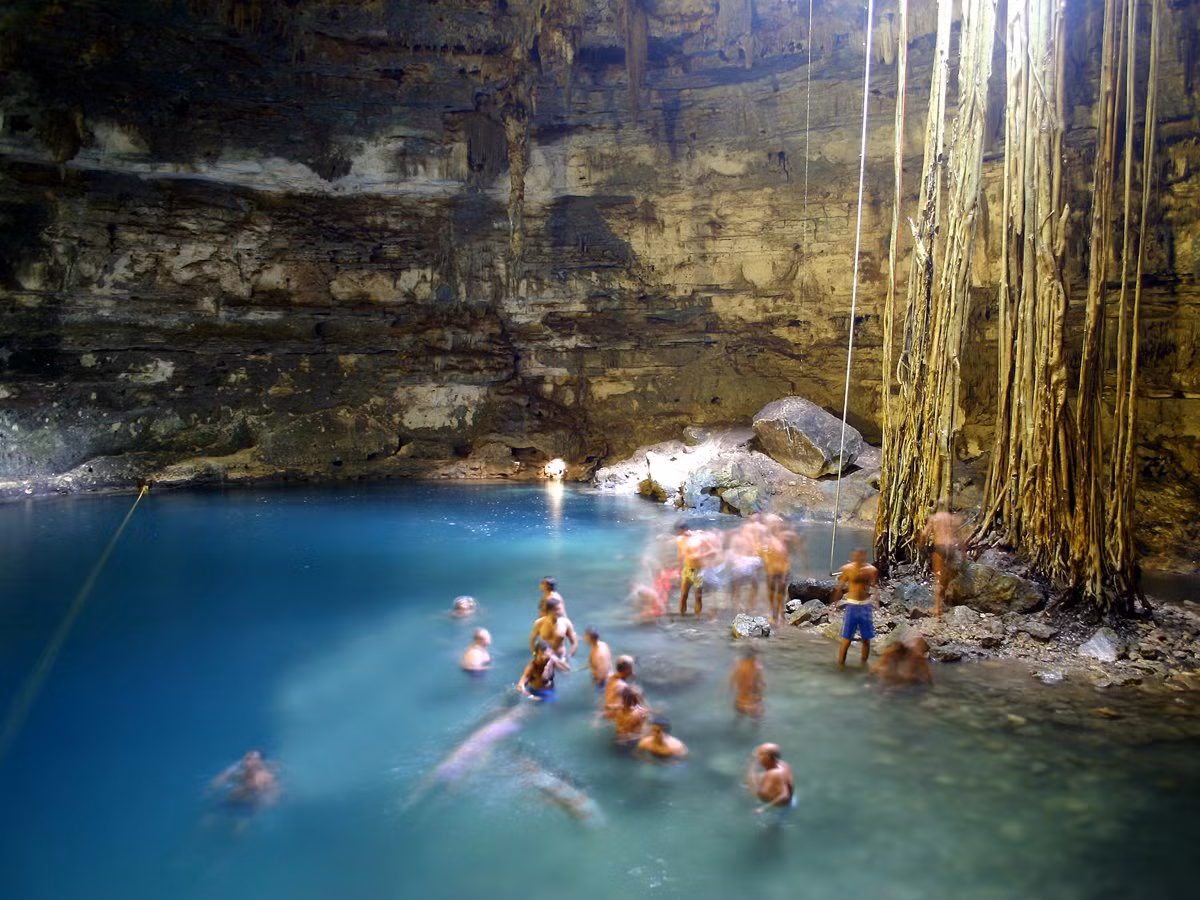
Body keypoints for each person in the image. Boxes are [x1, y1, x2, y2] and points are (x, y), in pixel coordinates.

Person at [834, 548, 879, 666]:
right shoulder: (847, 569)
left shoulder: (871, 570)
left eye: (860, 555)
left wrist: (876, 601)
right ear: (853, 556)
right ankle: (841, 665)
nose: (858, 558)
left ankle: (864, 665)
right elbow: (840, 587)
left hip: (865, 606)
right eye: (855, 555)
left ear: (864, 556)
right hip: (852, 606)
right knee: (847, 638)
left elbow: (875, 587)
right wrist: (834, 604)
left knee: (866, 638)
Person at [920, 499, 964, 617]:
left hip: (939, 548)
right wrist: (964, 554)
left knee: (938, 577)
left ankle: (937, 607)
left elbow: (924, 534)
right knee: (948, 576)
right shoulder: (952, 519)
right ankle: (948, 603)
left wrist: (921, 545)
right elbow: (960, 538)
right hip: (951, 548)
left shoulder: (934, 518)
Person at [211, 749, 280, 810]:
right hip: (240, 798)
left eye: (254, 759)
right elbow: (222, 779)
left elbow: (274, 792)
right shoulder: (242, 774)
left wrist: (264, 804)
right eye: (247, 759)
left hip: (254, 803)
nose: (249, 762)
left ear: (259, 763)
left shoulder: (265, 777)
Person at [676, 523, 719, 616]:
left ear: (685, 529)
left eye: (679, 532)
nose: (679, 534)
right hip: (686, 569)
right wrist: (678, 570)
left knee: (698, 596)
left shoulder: (700, 538)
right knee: (683, 594)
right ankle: (682, 617)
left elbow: (713, 551)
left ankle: (698, 618)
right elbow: (680, 555)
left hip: (698, 570)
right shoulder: (680, 540)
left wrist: (700, 556)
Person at [745, 743, 794, 814]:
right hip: (790, 803)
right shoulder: (783, 765)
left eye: (760, 754)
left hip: (777, 810)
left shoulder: (775, 774)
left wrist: (764, 809)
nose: (758, 756)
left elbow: (785, 795)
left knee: (752, 784)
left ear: (768, 757)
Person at [729, 645, 765, 720]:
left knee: (738, 718)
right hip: (752, 704)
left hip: (739, 702)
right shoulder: (757, 667)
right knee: (757, 719)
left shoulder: (738, 665)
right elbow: (759, 686)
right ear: (754, 656)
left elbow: (730, 682)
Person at [613, 685, 650, 751]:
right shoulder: (640, 713)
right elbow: (645, 731)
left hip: (619, 739)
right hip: (633, 742)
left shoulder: (618, 710)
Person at [601, 655, 635, 720]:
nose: (632, 670)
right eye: (631, 667)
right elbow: (626, 707)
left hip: (607, 713)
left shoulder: (610, 677)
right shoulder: (623, 687)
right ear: (627, 670)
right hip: (614, 718)